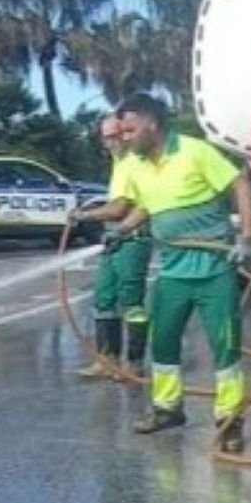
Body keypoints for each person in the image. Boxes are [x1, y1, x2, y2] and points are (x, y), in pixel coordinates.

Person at [105, 93, 251, 453]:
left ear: (152, 125)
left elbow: (240, 184)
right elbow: (147, 205)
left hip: (214, 270)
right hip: (173, 272)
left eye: (129, 129)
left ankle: (230, 422)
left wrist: (247, 238)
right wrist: (122, 230)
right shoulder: (138, 165)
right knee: (162, 344)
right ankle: (167, 410)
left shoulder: (194, 151)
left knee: (226, 347)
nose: (123, 137)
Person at [70, 115, 153, 378]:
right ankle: (108, 360)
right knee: (104, 298)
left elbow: (119, 209)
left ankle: (135, 362)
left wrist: (84, 216)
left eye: (114, 136)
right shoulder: (119, 164)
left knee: (132, 302)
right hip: (115, 240)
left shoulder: (134, 163)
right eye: (105, 137)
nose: (109, 142)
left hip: (134, 239)